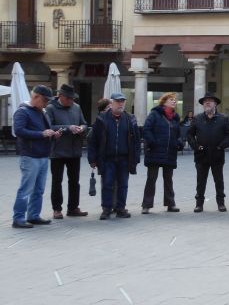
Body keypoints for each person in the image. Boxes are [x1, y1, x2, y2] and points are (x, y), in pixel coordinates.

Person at [88, 92, 141, 220]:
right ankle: (106, 209)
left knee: (123, 184)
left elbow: (136, 140)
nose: (121, 104)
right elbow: (93, 140)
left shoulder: (130, 118)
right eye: (118, 101)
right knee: (107, 184)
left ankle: (120, 208)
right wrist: (92, 158)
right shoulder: (102, 119)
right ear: (111, 103)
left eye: (123, 101)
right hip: (107, 158)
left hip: (124, 158)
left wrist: (136, 157)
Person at [12, 85, 59, 228]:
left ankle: (33, 215)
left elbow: (43, 130)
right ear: (35, 97)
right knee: (26, 189)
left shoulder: (42, 111)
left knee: (39, 189)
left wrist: (53, 134)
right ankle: (18, 218)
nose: (46, 104)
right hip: (30, 155)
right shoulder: (22, 112)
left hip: (43, 155)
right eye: (44, 100)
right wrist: (42, 134)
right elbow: (19, 131)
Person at [45, 84, 88, 219]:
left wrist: (82, 128)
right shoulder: (51, 108)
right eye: (68, 98)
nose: (71, 101)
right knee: (57, 181)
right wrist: (68, 128)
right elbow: (49, 126)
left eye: (72, 98)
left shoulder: (76, 107)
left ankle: (73, 208)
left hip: (74, 151)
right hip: (57, 151)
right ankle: (57, 209)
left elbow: (84, 123)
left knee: (74, 181)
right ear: (61, 96)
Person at [187, 92, 229, 213]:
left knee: (219, 180)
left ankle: (221, 203)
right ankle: (199, 204)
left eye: (210, 101)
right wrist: (196, 147)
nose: (207, 103)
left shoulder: (223, 118)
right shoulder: (197, 118)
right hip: (201, 155)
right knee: (200, 181)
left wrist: (221, 146)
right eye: (205, 101)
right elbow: (190, 134)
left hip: (217, 154)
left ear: (215, 104)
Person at [141, 92, 183, 214]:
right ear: (164, 102)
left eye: (175, 100)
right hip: (155, 151)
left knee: (168, 180)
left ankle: (170, 204)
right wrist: (153, 142)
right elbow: (146, 129)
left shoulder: (175, 117)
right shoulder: (154, 114)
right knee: (151, 179)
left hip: (170, 152)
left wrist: (178, 142)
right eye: (171, 99)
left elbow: (178, 134)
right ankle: (146, 205)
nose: (174, 101)